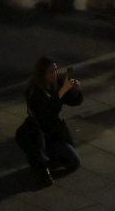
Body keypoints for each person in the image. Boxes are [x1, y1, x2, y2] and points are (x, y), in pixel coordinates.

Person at [17, 57, 83, 187]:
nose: (55, 74)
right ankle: (41, 166)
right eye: (51, 72)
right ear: (42, 74)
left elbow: (74, 101)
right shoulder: (34, 91)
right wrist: (62, 91)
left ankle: (52, 155)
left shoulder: (57, 82)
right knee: (72, 161)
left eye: (55, 70)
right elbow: (47, 113)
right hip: (41, 130)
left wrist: (75, 90)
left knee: (72, 161)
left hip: (56, 129)